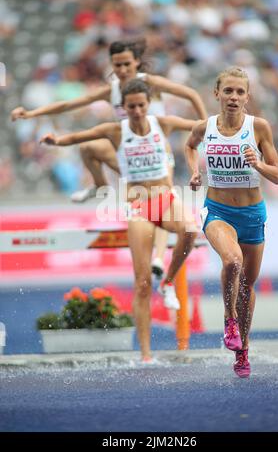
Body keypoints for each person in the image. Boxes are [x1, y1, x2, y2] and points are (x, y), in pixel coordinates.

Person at [11, 38, 207, 280]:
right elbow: (69, 104)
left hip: (158, 158)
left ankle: (158, 258)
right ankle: (100, 186)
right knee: (88, 147)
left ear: (136, 62)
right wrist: (31, 113)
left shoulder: (151, 83)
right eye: (117, 65)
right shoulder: (112, 90)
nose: (122, 70)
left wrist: (205, 128)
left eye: (127, 64)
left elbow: (191, 94)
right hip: (130, 155)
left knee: (160, 199)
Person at [40, 79, 198, 362]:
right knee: (141, 283)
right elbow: (82, 137)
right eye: (131, 106)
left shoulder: (163, 123)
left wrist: (226, 121)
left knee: (190, 229)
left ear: (148, 104)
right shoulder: (116, 130)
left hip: (166, 200)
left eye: (141, 105)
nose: (137, 111)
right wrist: (57, 141)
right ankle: (147, 355)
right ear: (123, 108)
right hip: (138, 205)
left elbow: (198, 125)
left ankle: (169, 281)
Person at [185, 67, 278, 378]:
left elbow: (277, 175)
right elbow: (189, 145)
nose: (233, 97)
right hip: (218, 212)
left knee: (246, 288)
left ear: (247, 97)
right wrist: (194, 171)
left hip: (253, 215)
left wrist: (259, 163)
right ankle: (229, 320)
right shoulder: (205, 127)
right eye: (228, 91)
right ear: (217, 94)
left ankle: (243, 350)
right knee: (232, 260)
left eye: (240, 92)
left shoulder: (259, 127)